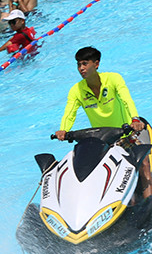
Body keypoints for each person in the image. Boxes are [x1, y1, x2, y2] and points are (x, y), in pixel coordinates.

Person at [55, 45, 151, 197]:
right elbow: (69, 112)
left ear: (96, 64)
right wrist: (63, 129)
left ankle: (148, 202)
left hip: (128, 131)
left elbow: (127, 99)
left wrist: (135, 119)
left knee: (143, 162)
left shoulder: (113, 79)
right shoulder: (76, 90)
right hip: (105, 139)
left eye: (85, 63)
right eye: (78, 64)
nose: (81, 68)